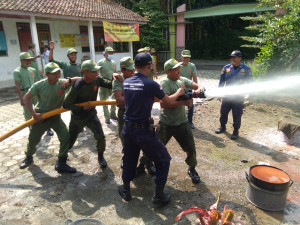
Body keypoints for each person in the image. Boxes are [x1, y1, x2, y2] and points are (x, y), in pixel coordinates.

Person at [118, 52, 185, 207]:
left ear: (134, 66)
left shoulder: (126, 83)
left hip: (128, 129)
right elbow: (167, 100)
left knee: (129, 158)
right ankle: (158, 196)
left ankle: (126, 191)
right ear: (149, 67)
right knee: (163, 160)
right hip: (143, 131)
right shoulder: (151, 84)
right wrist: (179, 92)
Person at [19, 62, 79, 173]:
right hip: (41, 117)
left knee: (65, 137)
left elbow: (80, 79)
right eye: (53, 73)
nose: (57, 75)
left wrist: (69, 80)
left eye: (58, 72)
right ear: (47, 74)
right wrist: (33, 114)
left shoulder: (62, 83)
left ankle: (61, 163)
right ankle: (28, 156)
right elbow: (26, 98)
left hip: (55, 117)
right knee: (33, 140)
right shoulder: (39, 85)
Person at [63, 60, 122, 168]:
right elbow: (66, 104)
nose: (97, 74)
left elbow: (110, 84)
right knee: (70, 140)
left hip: (91, 115)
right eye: (93, 72)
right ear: (85, 72)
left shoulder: (97, 80)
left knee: (100, 137)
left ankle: (100, 157)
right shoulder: (78, 85)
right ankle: (61, 160)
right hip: (78, 117)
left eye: (97, 71)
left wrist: (115, 76)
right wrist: (81, 107)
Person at [156, 58, 205, 184]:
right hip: (166, 123)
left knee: (191, 148)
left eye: (178, 68)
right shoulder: (165, 83)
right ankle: (144, 164)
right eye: (175, 69)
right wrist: (183, 102)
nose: (178, 70)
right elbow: (163, 104)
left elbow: (197, 85)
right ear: (168, 72)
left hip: (182, 122)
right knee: (155, 147)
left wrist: (200, 88)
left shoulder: (182, 80)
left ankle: (192, 169)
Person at [215, 50, 252, 140]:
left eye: (234, 57)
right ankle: (222, 127)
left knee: (237, 114)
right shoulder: (226, 68)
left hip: (238, 97)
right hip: (227, 96)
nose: (232, 59)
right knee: (223, 112)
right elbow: (221, 82)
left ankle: (236, 131)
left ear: (239, 58)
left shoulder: (246, 69)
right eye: (231, 57)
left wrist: (251, 95)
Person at [112, 56, 135, 146]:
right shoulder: (118, 80)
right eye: (130, 70)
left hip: (136, 111)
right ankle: (126, 151)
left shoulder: (136, 77)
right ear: (122, 70)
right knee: (124, 134)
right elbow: (119, 99)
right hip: (124, 111)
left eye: (133, 69)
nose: (132, 72)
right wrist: (137, 99)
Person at [13, 52, 41, 121]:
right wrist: (21, 99)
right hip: (25, 93)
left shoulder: (32, 70)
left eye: (30, 60)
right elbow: (17, 86)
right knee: (28, 112)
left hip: (33, 92)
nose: (29, 62)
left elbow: (35, 82)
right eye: (27, 60)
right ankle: (30, 128)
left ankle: (46, 127)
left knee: (40, 108)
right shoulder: (17, 71)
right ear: (21, 61)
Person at [97, 47, 117, 124]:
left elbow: (114, 73)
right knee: (104, 101)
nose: (111, 54)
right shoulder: (100, 62)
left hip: (112, 84)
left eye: (112, 53)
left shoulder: (114, 63)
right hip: (103, 84)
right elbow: (97, 74)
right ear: (105, 53)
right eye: (109, 53)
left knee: (113, 100)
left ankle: (113, 114)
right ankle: (107, 117)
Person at [180, 49, 198, 129]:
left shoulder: (192, 66)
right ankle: (180, 121)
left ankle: (190, 122)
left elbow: (194, 77)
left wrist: (196, 88)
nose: (186, 59)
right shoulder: (178, 66)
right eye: (184, 57)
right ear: (181, 57)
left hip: (189, 89)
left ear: (189, 58)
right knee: (179, 105)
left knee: (190, 105)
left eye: (188, 57)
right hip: (179, 89)